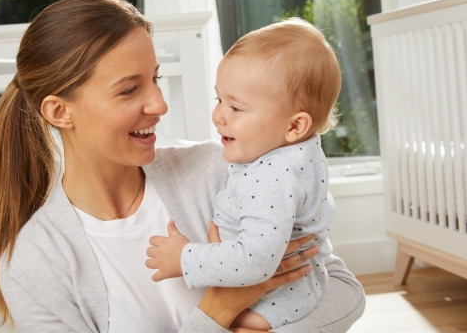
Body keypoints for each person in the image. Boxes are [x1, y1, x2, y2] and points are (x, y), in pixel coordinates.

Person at [0, 0, 365, 332]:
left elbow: (340, 286)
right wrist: (218, 311)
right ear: (60, 112)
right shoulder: (35, 264)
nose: (160, 105)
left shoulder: (221, 171)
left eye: (155, 79)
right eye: (130, 89)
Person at [146, 18, 341, 331]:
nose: (218, 115)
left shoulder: (273, 175)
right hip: (304, 289)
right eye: (219, 99)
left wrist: (185, 257)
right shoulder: (299, 153)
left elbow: (255, 260)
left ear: (294, 126)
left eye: (236, 108)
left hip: (274, 304)